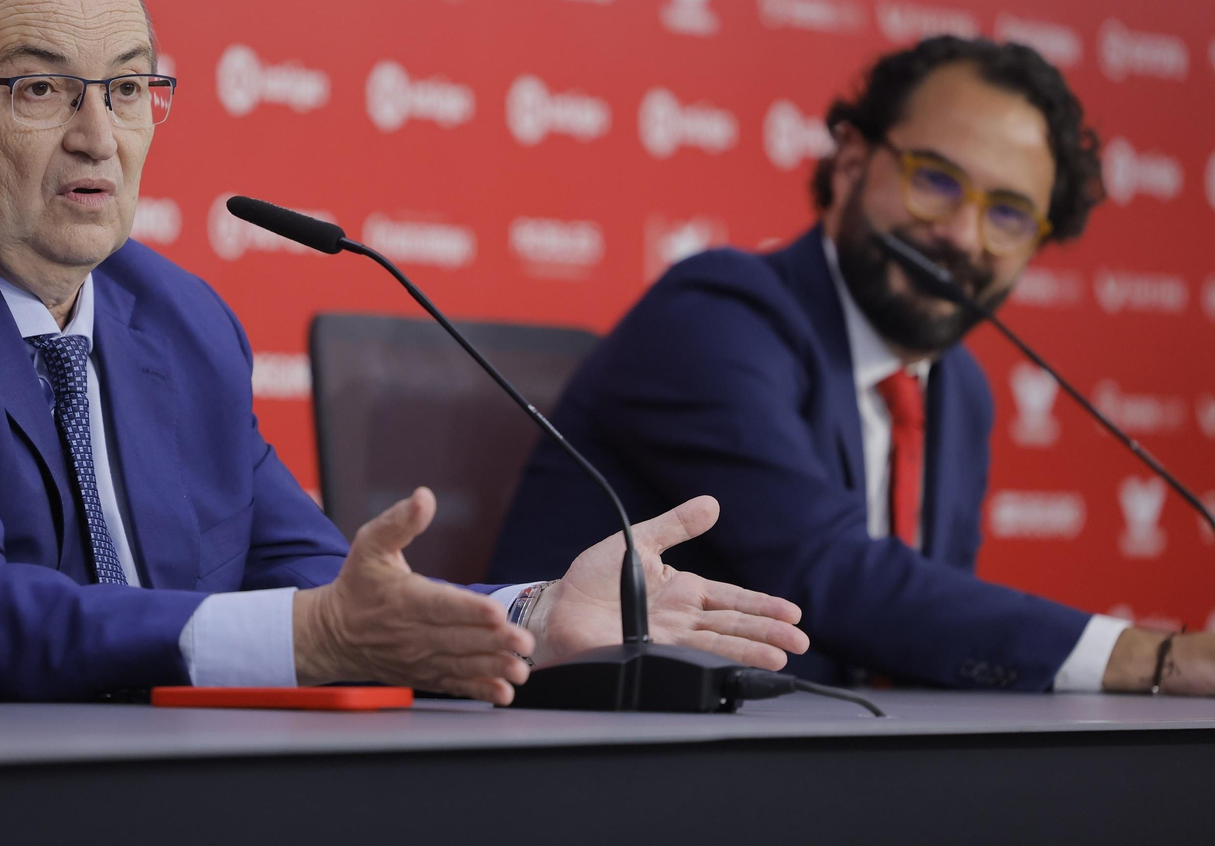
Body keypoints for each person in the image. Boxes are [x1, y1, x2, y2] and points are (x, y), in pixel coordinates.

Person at [0, 0, 806, 708]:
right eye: (40, 87)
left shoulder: (174, 317)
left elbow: (315, 582)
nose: (99, 134)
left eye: (132, 87)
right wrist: (303, 640)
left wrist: (530, 613)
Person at [490, 37, 1215, 695]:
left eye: (1009, 214)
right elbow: (824, 571)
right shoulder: (715, 314)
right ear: (850, 161)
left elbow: (920, 632)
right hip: (609, 756)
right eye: (935, 181)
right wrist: (1155, 659)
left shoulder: (958, 389)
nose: (962, 236)